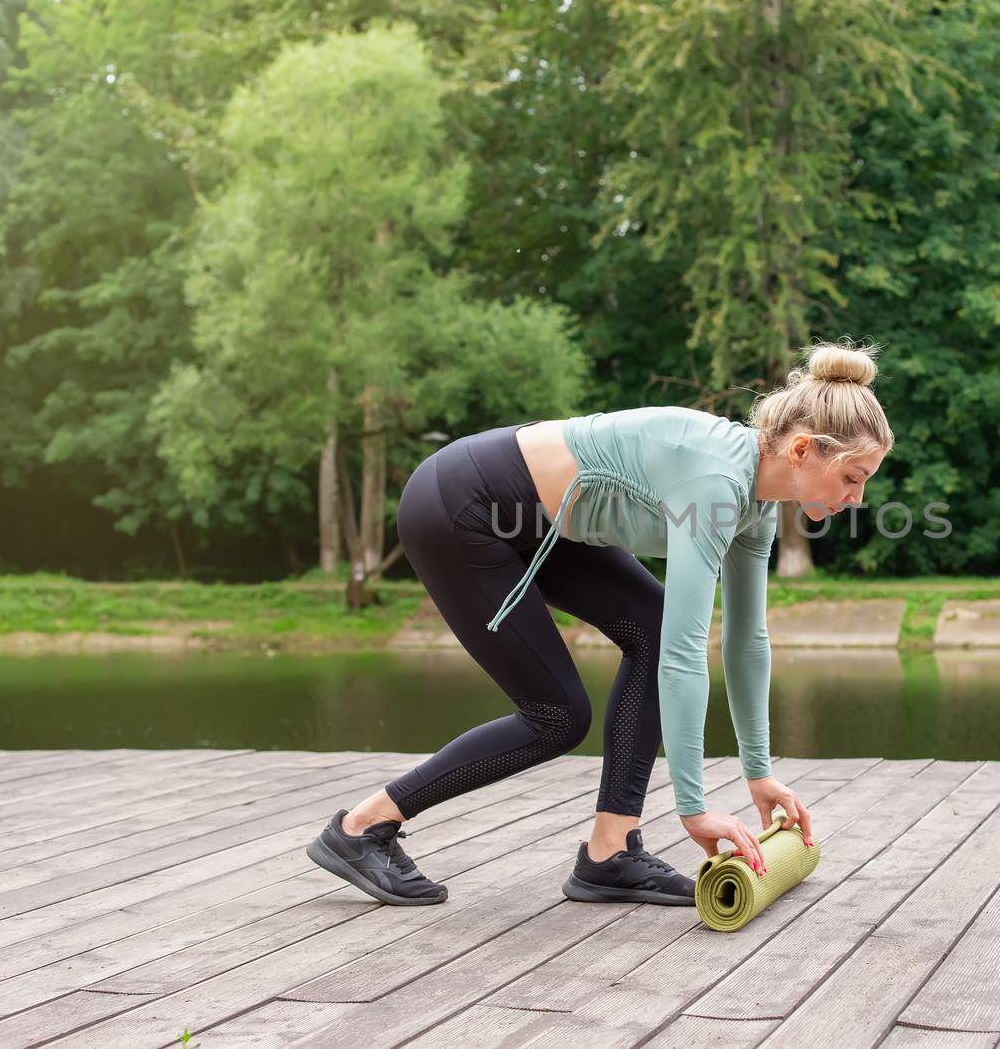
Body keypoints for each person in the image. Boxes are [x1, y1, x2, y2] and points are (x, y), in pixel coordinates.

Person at [304, 340, 894, 906]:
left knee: (653, 626)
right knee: (557, 716)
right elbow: (686, 654)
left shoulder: (756, 505)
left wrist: (759, 774)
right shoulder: (715, 483)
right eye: (852, 477)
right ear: (800, 451)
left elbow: (746, 641)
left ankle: (610, 851)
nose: (858, 498)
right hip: (465, 505)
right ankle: (362, 827)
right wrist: (693, 809)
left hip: (544, 522)